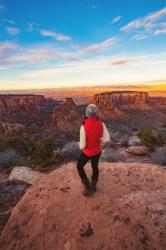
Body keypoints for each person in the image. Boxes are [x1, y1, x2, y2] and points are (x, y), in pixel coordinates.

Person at [77, 104, 110, 196]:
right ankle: (93, 186)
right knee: (94, 167)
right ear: (96, 114)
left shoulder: (83, 127)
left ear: (86, 113)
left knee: (79, 166)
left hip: (87, 153)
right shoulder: (101, 123)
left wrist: (79, 144)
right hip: (97, 152)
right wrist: (99, 141)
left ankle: (87, 188)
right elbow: (107, 138)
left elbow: (82, 146)